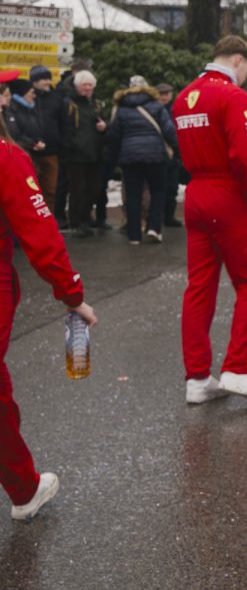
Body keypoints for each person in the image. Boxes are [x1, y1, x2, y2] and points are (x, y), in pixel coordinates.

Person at [1, 111, 98, 520]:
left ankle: (25, 487)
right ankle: (24, 488)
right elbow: (40, 233)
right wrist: (72, 294)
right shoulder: (7, 158)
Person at [173, 35, 247, 404]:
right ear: (238, 59)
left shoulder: (185, 96)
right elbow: (246, 156)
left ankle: (198, 377)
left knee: (199, 287)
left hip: (196, 193)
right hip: (229, 194)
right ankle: (238, 367)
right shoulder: (232, 96)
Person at [108, 77, 178, 245]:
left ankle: (134, 235)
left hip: (130, 157)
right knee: (158, 191)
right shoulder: (156, 106)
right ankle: (154, 227)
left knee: (133, 194)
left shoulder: (121, 108)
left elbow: (114, 135)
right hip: (156, 156)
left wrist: (114, 157)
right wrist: (176, 148)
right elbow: (169, 130)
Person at [59, 71, 107, 239]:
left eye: (90, 85)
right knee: (77, 190)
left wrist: (103, 127)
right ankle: (76, 223)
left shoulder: (96, 104)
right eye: (84, 85)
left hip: (94, 153)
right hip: (75, 155)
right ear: (77, 86)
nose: (87, 88)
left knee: (94, 189)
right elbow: (64, 127)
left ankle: (86, 219)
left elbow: (102, 124)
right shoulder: (69, 104)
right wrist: (71, 145)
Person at [28, 65, 66, 219]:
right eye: (43, 79)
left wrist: (62, 144)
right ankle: (31, 221)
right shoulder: (28, 97)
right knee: (32, 192)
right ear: (34, 81)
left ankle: (47, 221)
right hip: (31, 151)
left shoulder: (56, 97)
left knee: (50, 190)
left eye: (48, 78)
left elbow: (63, 123)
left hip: (51, 151)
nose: (47, 82)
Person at [157, 83, 183, 227]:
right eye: (162, 94)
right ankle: (158, 216)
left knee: (172, 187)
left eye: (167, 93)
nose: (165, 97)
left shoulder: (175, 109)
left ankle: (169, 216)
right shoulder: (154, 109)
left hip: (173, 153)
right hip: (159, 152)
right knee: (159, 187)